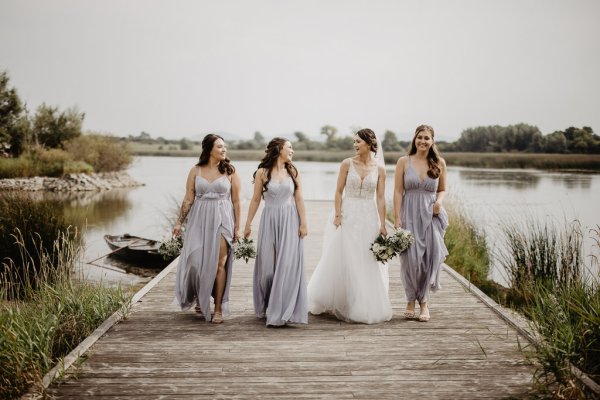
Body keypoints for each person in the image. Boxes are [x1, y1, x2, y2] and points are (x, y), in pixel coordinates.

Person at [307, 128, 392, 324]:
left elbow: (380, 198)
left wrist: (383, 223)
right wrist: (337, 214)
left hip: (369, 216)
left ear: (369, 144)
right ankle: (339, 299)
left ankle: (361, 303)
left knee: (365, 257)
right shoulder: (347, 163)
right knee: (343, 255)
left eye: (358, 142)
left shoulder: (380, 169)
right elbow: (338, 192)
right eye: (354, 142)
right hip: (348, 213)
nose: (355, 145)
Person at [173, 134, 241, 324]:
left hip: (222, 219)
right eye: (220, 147)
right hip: (198, 219)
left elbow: (236, 201)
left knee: (219, 264)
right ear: (209, 149)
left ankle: (217, 308)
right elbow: (188, 199)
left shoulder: (230, 171)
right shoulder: (195, 170)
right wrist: (179, 222)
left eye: (224, 147)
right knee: (195, 262)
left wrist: (237, 228)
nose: (224, 150)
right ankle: (199, 296)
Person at [244, 138, 308, 326]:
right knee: (267, 270)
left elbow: (299, 198)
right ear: (279, 149)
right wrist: (247, 224)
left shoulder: (293, 171)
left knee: (286, 266)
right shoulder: (262, 173)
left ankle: (281, 311)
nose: (292, 151)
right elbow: (256, 199)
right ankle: (268, 303)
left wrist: (303, 223)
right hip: (269, 219)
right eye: (289, 148)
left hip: (290, 219)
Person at [393, 124, 448, 322]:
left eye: (426, 138)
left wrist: (439, 202)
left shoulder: (439, 162)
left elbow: (442, 189)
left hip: (431, 215)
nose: (422, 141)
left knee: (428, 260)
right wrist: (397, 218)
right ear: (414, 139)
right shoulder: (403, 162)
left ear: (432, 141)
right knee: (410, 261)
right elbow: (398, 191)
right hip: (409, 214)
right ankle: (410, 300)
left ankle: (423, 302)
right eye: (419, 137)